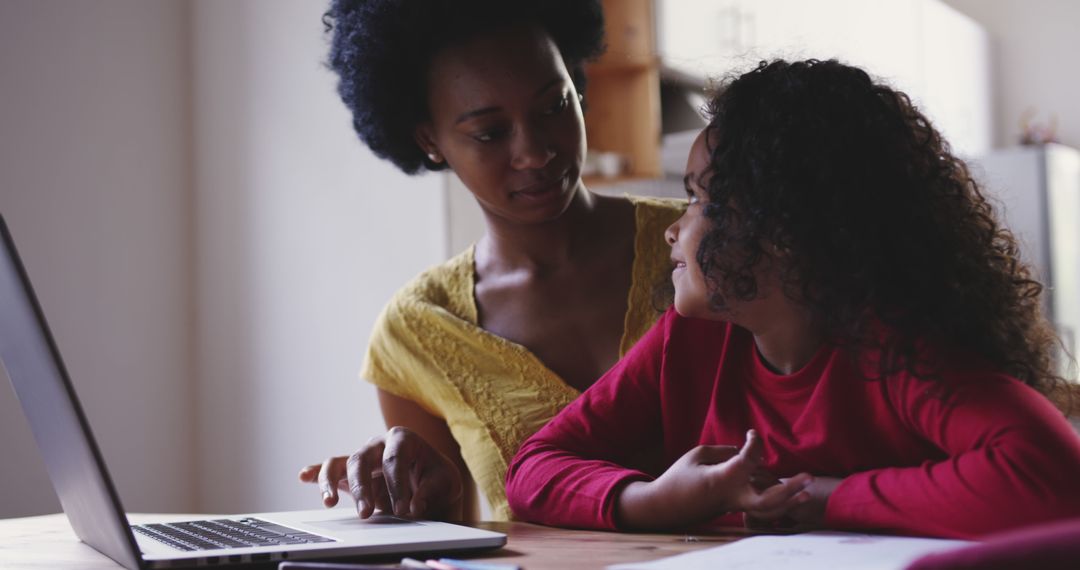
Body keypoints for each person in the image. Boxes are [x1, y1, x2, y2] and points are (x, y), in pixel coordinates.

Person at [505, 59, 1080, 539]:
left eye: (698, 200)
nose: (672, 229)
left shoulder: (890, 348)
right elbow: (534, 468)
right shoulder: (692, 340)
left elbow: (1052, 475)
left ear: (786, 230)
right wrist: (653, 500)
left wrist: (819, 499)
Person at [298, 0, 684, 521]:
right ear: (430, 140)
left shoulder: (703, 243)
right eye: (490, 132)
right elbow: (454, 545)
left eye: (554, 107)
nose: (535, 151)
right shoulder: (420, 330)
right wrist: (421, 500)